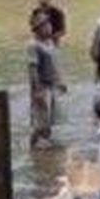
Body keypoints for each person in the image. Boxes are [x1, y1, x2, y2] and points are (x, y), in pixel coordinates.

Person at [27, 12, 65, 148]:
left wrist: (61, 81)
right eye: (45, 25)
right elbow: (33, 69)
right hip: (42, 85)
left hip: (52, 84)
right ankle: (37, 141)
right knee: (41, 116)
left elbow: (55, 63)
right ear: (38, 29)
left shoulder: (49, 42)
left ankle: (44, 139)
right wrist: (37, 90)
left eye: (49, 24)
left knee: (51, 116)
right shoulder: (33, 45)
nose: (49, 27)